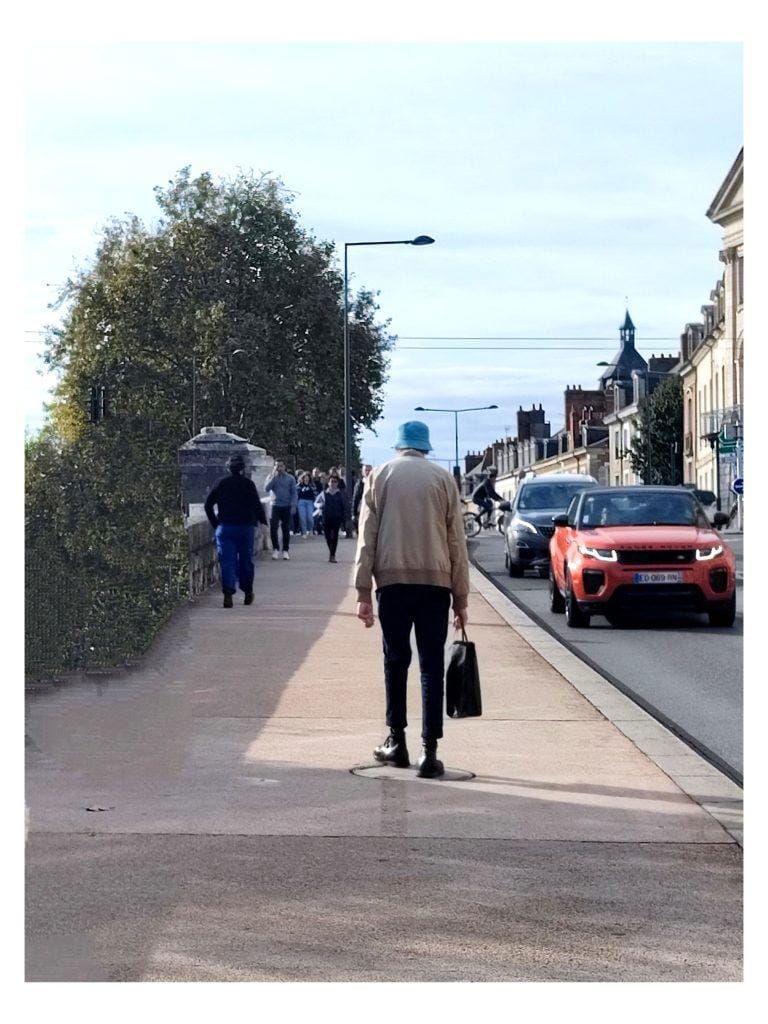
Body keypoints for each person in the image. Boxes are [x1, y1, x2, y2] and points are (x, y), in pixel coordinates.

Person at [354, 421, 469, 778]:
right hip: (436, 585)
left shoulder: (379, 476)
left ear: (399, 446)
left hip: (392, 582)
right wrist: (461, 599)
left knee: (395, 660)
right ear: (425, 447)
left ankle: (396, 741)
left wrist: (362, 592)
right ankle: (429, 752)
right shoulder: (442, 480)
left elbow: (366, 537)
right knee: (432, 666)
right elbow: (456, 544)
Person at [204, 452, 267, 607]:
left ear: (228, 469)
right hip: (245, 528)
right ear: (243, 468)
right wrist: (263, 521)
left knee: (227, 562)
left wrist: (216, 524)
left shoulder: (221, 483)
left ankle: (228, 593)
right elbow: (257, 505)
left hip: (225, 528)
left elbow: (208, 505)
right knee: (245, 561)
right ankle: (247, 591)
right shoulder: (248, 484)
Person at [265, 460, 298, 560]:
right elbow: (266, 488)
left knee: (285, 528)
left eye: (281, 466)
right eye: (277, 466)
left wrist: (293, 505)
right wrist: (273, 477)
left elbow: (294, 492)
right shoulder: (271, 477)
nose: (279, 468)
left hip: (286, 505)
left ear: (284, 467)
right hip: (275, 505)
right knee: (273, 527)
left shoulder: (290, 478)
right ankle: (275, 549)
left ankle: (285, 550)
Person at [315, 473, 346, 562]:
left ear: (338, 483)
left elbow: (344, 506)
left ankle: (332, 555)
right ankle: (331, 552)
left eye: (335, 482)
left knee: (335, 536)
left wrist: (344, 519)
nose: (333, 483)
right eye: (331, 481)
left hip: (337, 517)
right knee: (328, 536)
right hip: (326, 517)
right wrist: (320, 505)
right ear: (328, 483)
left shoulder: (340, 494)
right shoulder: (324, 493)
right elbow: (316, 502)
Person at [352, 464, 373, 531]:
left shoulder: (376, 483)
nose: (368, 472)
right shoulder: (359, 484)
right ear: (362, 472)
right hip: (361, 510)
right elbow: (355, 499)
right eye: (366, 470)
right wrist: (353, 513)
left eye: (369, 470)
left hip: (372, 511)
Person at [296, 472, 317, 537]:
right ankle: (304, 532)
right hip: (301, 502)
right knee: (303, 517)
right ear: (302, 478)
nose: (306, 479)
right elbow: (296, 493)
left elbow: (315, 494)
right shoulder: (299, 485)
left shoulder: (312, 485)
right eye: (305, 478)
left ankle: (310, 530)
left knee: (310, 517)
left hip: (310, 502)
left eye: (307, 478)